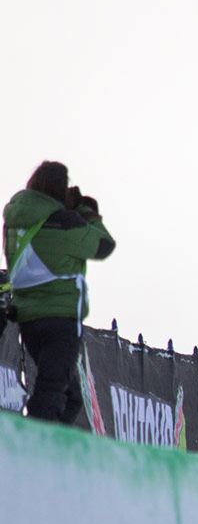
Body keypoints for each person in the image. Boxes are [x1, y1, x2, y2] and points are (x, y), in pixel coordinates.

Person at [5, 161, 114, 425]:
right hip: (61, 319)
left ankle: (47, 441)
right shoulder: (65, 222)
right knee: (53, 390)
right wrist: (87, 212)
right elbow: (103, 245)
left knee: (69, 394)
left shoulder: (15, 221)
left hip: (28, 318)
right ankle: (37, 441)